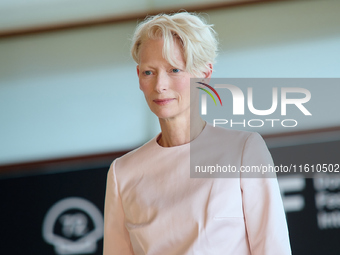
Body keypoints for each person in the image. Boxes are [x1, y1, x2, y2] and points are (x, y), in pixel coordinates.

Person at [103, 12, 291, 255]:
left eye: (174, 70)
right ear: (139, 77)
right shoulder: (123, 173)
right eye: (149, 72)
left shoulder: (244, 150)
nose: (160, 85)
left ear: (205, 73)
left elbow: (273, 248)